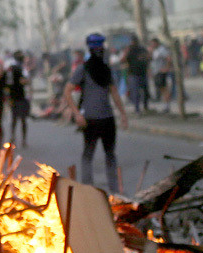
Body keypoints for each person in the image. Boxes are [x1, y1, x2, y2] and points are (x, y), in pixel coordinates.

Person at [64, 33, 129, 194]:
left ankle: (115, 192)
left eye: (100, 47)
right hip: (91, 119)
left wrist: (123, 114)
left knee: (109, 155)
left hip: (107, 119)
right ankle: (88, 191)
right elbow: (67, 90)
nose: (100, 50)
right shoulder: (83, 69)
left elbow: (114, 93)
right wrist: (77, 114)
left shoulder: (106, 69)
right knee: (89, 155)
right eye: (97, 48)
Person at [5, 50, 30, 147]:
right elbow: (23, 81)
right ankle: (22, 140)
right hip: (20, 97)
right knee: (22, 119)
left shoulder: (11, 68)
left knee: (14, 119)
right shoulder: (20, 68)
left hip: (14, 97)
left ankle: (13, 137)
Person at [123, 36, 151, 114]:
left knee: (145, 91)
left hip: (142, 73)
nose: (133, 42)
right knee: (135, 92)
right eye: (132, 41)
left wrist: (144, 57)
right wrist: (126, 52)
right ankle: (137, 109)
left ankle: (145, 107)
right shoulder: (129, 50)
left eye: (134, 41)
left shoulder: (142, 49)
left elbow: (149, 57)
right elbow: (123, 60)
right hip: (133, 74)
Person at [149, 37, 173, 113]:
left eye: (153, 43)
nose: (152, 45)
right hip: (156, 72)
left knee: (164, 88)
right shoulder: (155, 50)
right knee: (161, 88)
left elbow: (168, 58)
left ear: (157, 43)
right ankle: (165, 104)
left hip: (161, 72)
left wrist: (166, 68)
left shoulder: (162, 50)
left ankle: (167, 105)